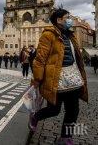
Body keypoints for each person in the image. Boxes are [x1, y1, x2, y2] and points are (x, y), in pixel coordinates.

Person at [29, 8, 88, 144]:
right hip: (56, 79)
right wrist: (37, 79)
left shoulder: (71, 35)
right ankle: (36, 116)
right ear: (59, 20)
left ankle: (66, 137)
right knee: (54, 110)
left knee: (73, 110)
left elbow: (76, 56)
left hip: (73, 79)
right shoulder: (48, 35)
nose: (70, 20)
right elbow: (40, 59)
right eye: (67, 17)